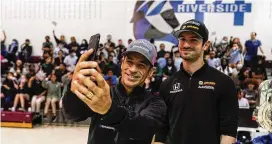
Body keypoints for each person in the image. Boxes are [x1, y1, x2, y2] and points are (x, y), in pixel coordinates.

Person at [62, 39, 166, 144]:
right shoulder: (103, 93)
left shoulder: (155, 103)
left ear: (150, 72)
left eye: (141, 65)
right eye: (129, 62)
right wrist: (74, 88)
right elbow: (72, 114)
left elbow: (144, 129)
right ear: (122, 63)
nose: (133, 69)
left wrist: (109, 110)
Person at [154, 19, 238, 144]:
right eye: (182, 39)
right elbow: (161, 131)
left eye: (193, 40)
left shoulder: (224, 83)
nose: (186, 45)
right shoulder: (167, 84)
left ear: (206, 45)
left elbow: (229, 133)